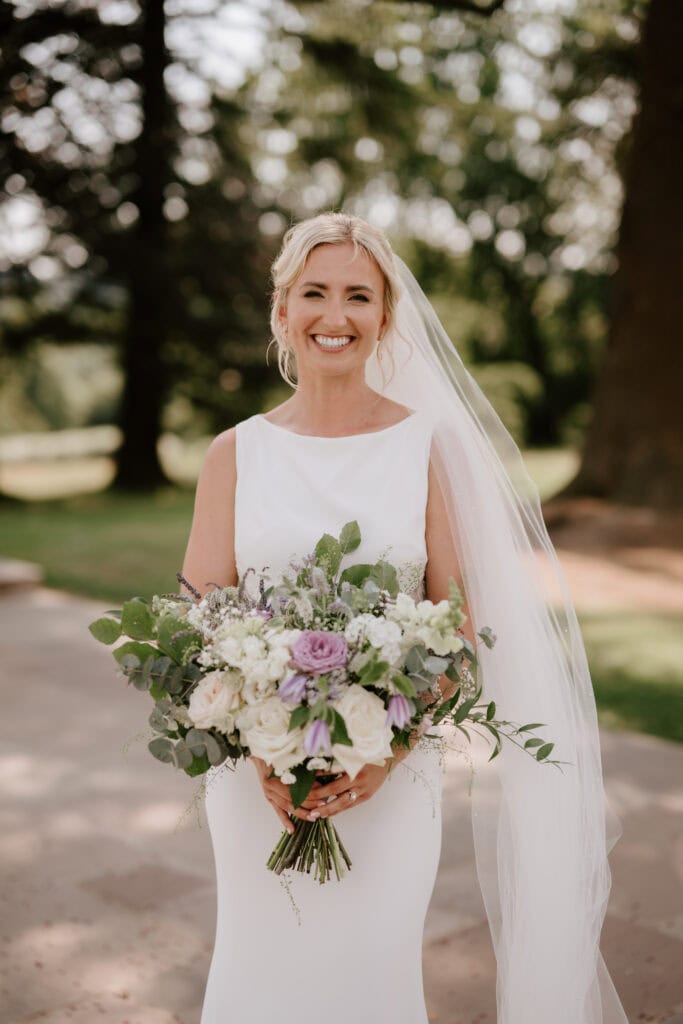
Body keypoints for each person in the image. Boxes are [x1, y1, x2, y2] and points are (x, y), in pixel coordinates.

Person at [180, 212, 628, 1024]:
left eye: (359, 296)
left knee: (370, 970)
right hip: (254, 782)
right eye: (314, 293)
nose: (336, 315)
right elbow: (200, 619)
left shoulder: (429, 447)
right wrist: (257, 750)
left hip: (392, 773)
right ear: (282, 311)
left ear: (384, 319)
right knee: (258, 966)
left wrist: (383, 755)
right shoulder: (233, 453)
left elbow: (456, 627)